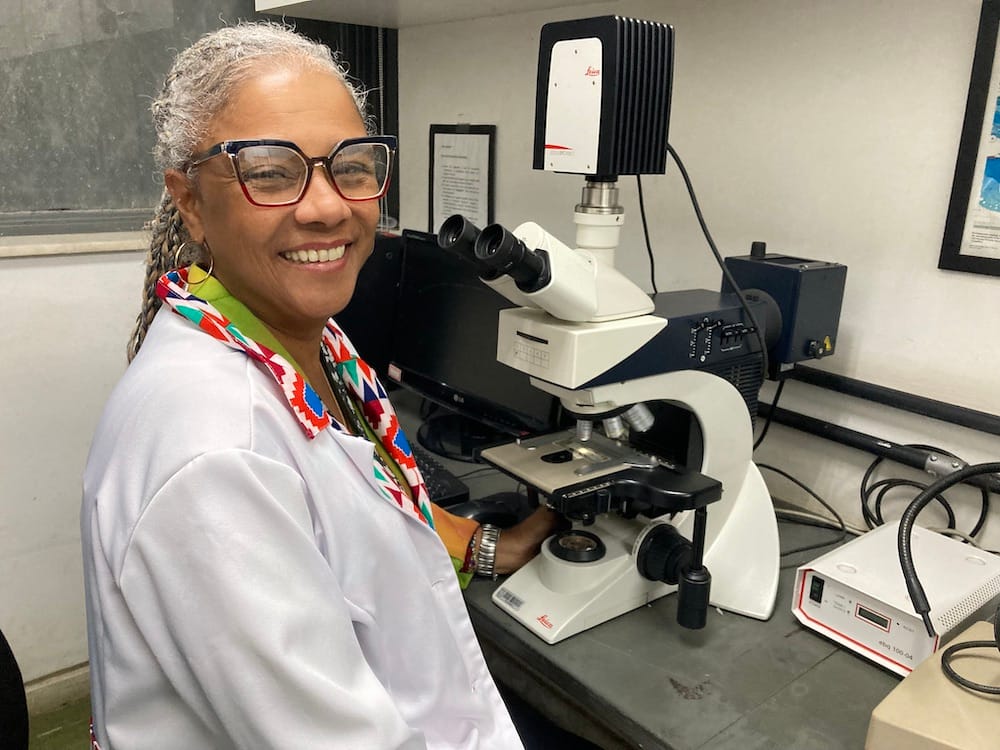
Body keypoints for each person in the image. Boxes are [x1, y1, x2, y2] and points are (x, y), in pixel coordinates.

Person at [81, 22, 562, 749]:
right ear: (191, 201)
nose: (328, 206)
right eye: (271, 173)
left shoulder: (311, 344)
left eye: (352, 165)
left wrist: (491, 549)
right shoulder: (218, 455)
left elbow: (371, 504)